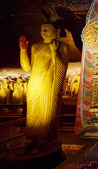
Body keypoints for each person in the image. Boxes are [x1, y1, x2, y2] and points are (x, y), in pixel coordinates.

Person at [19, 21, 70, 151]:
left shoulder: (63, 46)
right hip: (35, 83)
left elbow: (61, 68)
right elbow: (27, 68)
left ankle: (44, 139)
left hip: (49, 83)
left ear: (57, 32)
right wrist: (23, 50)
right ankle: (31, 138)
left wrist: (54, 52)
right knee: (32, 114)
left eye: (48, 28)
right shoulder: (36, 46)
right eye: (42, 29)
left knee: (46, 112)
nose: (44, 31)